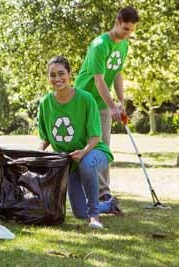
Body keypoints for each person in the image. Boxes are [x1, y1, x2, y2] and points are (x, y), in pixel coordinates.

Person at [38, 56, 121, 229]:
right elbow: (45, 137)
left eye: (61, 73)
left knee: (87, 164)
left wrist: (83, 152)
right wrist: (39, 153)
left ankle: (95, 216)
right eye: (52, 75)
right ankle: (109, 205)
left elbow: (95, 136)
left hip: (95, 152)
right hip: (70, 161)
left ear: (70, 74)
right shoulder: (45, 103)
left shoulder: (86, 99)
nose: (57, 78)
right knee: (78, 212)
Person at [74, 7, 139, 202]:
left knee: (103, 148)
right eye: (126, 29)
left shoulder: (124, 45)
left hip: (102, 103)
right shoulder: (100, 44)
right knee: (84, 146)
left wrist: (120, 102)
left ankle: (103, 195)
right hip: (84, 100)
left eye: (132, 30)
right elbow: (99, 79)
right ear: (117, 22)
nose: (128, 33)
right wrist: (111, 107)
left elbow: (117, 74)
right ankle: (78, 192)